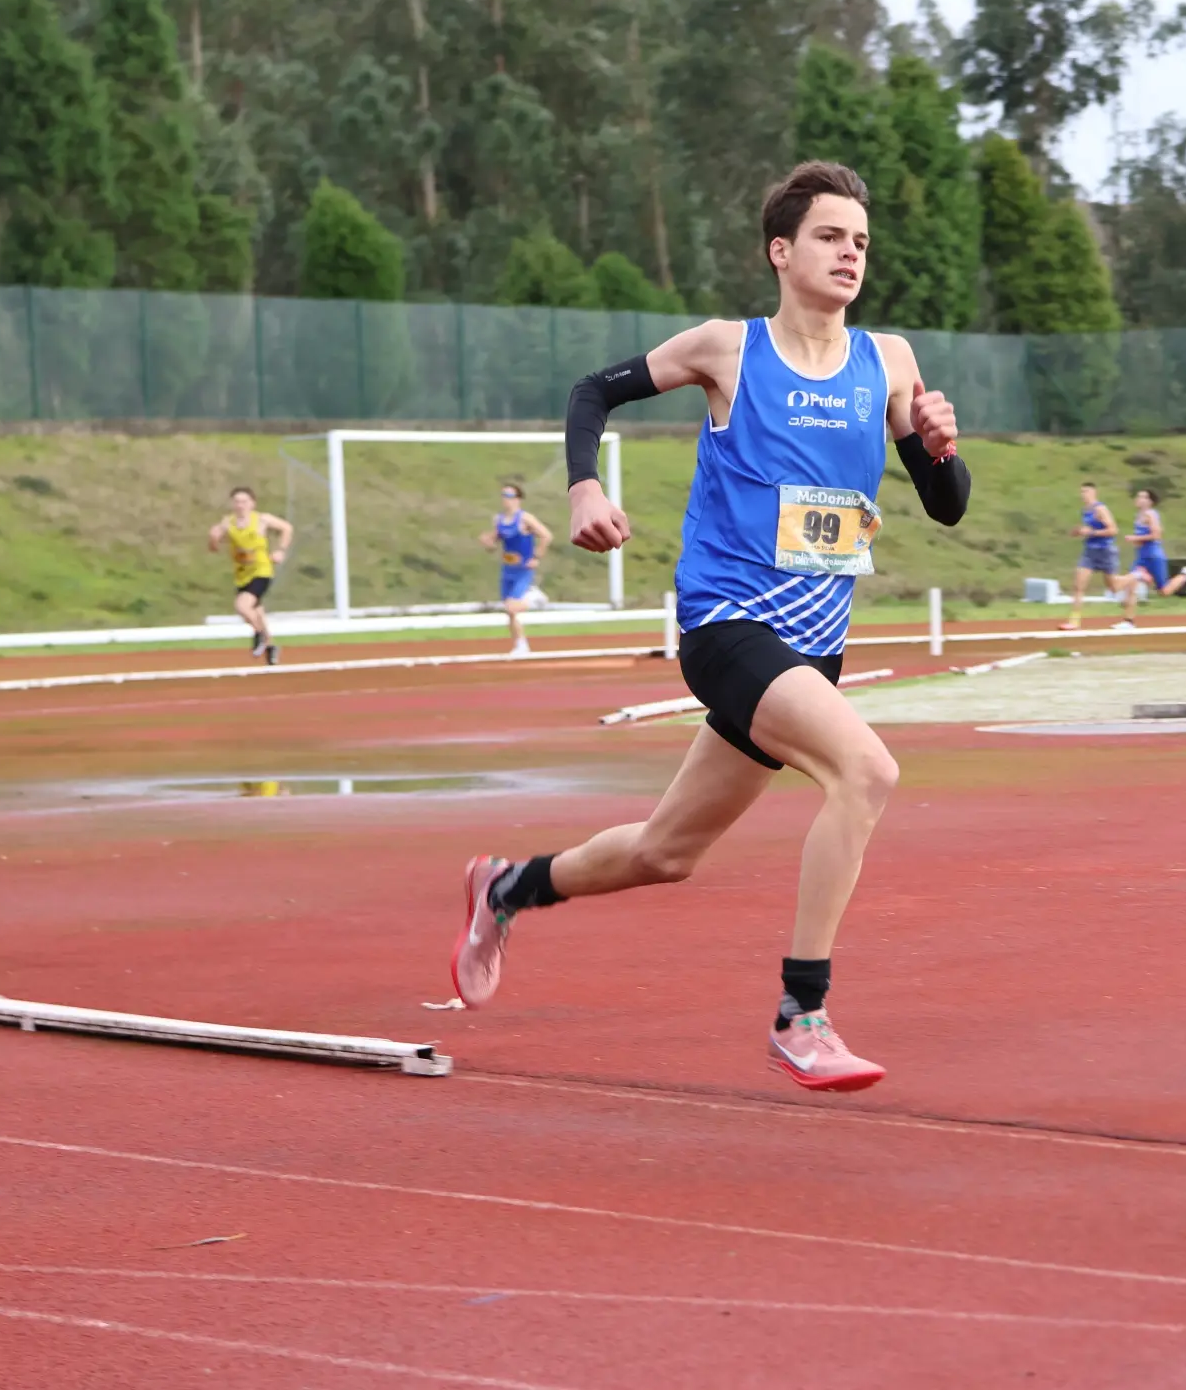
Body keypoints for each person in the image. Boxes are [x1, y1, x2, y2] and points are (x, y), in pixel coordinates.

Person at [449, 160, 970, 1093]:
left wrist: (938, 447)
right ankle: (800, 1014)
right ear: (781, 251)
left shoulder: (888, 362)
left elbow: (946, 507)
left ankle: (506, 887)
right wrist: (581, 488)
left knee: (667, 851)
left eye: (859, 241)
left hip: (814, 645)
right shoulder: (728, 349)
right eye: (828, 237)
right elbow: (590, 392)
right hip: (728, 625)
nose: (850, 253)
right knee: (868, 770)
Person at [207, 486, 292, 665]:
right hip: (242, 575)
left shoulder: (261, 520)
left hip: (261, 571)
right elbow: (214, 548)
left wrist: (281, 550)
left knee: (242, 606)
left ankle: (259, 635)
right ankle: (270, 646)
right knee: (257, 613)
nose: (240, 505)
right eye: (237, 502)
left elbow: (286, 528)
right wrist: (213, 539)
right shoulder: (227, 523)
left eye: (244, 502)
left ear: (252, 503)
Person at [1110, 488, 1186, 630]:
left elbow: (1156, 535)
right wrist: (1137, 542)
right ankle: (1128, 621)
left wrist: (1136, 538)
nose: (1138, 499)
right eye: (1138, 496)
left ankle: (1185, 574)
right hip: (1142, 557)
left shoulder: (1151, 515)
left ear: (1149, 502)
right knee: (1131, 586)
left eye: (1142, 497)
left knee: (1164, 591)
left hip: (1154, 556)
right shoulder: (1139, 516)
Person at [479, 482, 553, 657]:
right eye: (504, 495)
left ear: (518, 499)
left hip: (523, 570)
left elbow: (546, 536)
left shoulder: (525, 518)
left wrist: (536, 557)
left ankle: (536, 598)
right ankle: (521, 645)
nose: (506, 499)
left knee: (513, 608)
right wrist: (487, 542)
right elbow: (495, 542)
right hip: (507, 569)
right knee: (509, 610)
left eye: (510, 496)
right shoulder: (498, 520)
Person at [1061, 482, 1122, 631]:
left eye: (1086, 491)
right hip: (1089, 551)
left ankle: (1137, 576)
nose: (1083, 495)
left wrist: (1092, 533)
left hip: (1105, 551)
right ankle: (1074, 621)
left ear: (1094, 492)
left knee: (1114, 587)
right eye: (1081, 492)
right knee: (1078, 586)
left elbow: (1113, 530)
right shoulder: (1085, 511)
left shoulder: (1100, 509)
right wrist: (1078, 532)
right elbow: (1087, 530)